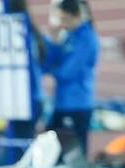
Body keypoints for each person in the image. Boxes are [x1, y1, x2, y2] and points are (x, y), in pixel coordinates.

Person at [0, 0, 47, 168]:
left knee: (17, 150)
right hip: (32, 99)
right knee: (21, 146)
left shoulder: (13, 30)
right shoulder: (28, 25)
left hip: (22, 100)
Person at [44, 0, 99, 158]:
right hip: (61, 103)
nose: (63, 24)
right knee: (51, 150)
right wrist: (52, 41)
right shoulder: (68, 36)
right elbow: (47, 64)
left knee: (74, 156)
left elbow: (67, 72)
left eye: (65, 19)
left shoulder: (87, 39)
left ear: (77, 16)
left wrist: (54, 70)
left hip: (78, 105)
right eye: (60, 19)